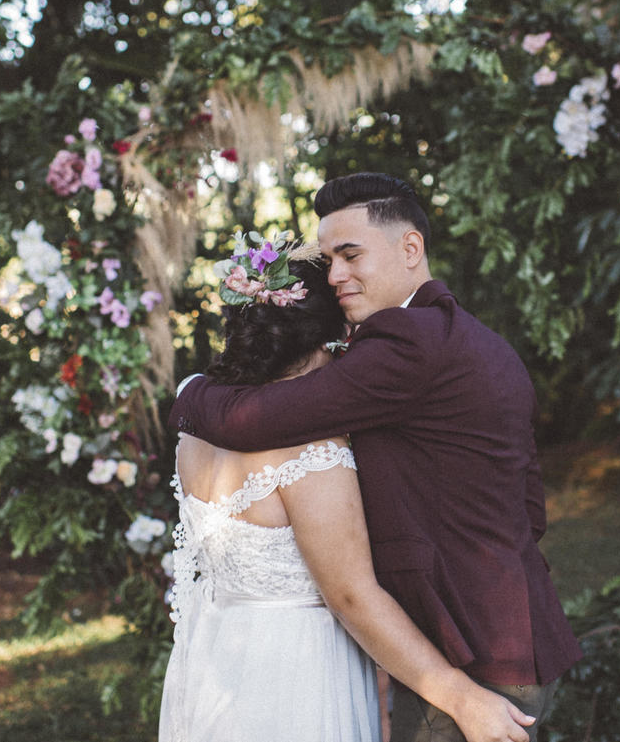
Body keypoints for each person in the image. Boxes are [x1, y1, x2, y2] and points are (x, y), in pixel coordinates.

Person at [168, 173, 584, 741]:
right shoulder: (474, 339)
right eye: (330, 258)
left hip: (473, 654)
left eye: (349, 254)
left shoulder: (407, 343)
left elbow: (264, 418)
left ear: (410, 248)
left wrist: (190, 391)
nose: (336, 274)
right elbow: (529, 505)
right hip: (495, 630)